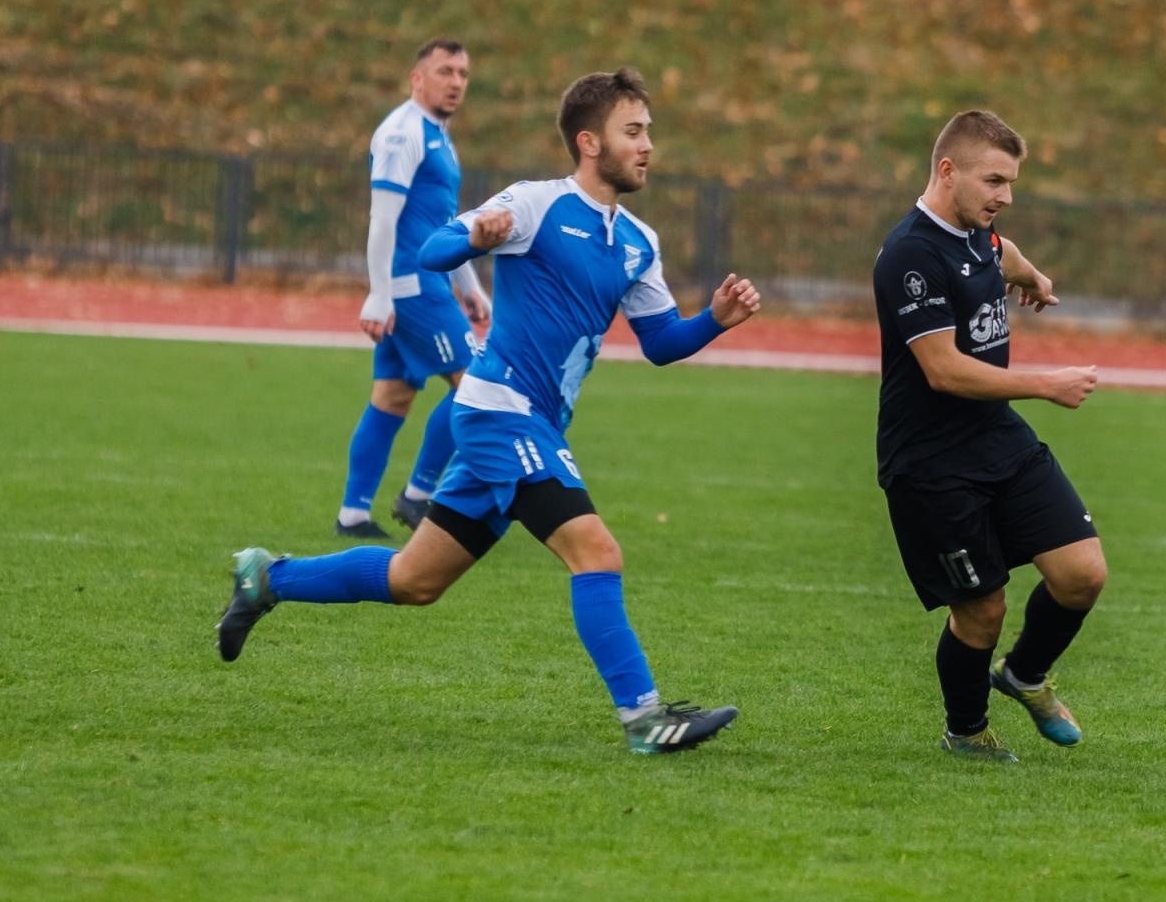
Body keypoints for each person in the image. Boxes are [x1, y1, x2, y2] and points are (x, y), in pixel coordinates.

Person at [217, 67, 762, 755]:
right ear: (590, 142)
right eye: (634, 132)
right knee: (596, 551)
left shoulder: (638, 242)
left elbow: (659, 343)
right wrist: (476, 238)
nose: (648, 145)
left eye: (649, 131)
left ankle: (267, 576)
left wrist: (713, 320)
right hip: (500, 410)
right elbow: (432, 250)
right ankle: (646, 720)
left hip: (528, 425)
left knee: (414, 581)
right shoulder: (536, 205)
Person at [873, 110, 1105, 763]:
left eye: (1010, 184)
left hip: (994, 436)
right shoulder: (910, 256)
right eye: (994, 180)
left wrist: (1034, 279)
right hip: (930, 461)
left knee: (1082, 573)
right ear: (948, 171)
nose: (1004, 196)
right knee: (982, 609)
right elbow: (943, 371)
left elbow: (1002, 254)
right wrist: (1045, 384)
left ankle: (1024, 676)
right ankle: (966, 730)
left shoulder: (982, 233)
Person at [337, 38, 492, 539]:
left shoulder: (437, 135)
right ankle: (419, 495)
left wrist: (467, 283)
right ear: (417, 77)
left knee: (393, 395)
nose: (456, 82)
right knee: (477, 385)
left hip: (427, 282)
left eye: (463, 74)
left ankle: (353, 515)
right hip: (412, 287)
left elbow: (443, 220)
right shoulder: (403, 134)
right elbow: (382, 219)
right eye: (445, 71)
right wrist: (379, 294)